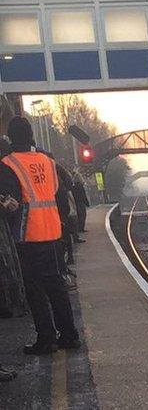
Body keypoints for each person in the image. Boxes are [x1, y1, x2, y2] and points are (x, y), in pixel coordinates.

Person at [0, 117, 80, 354]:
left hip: (27, 235)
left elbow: (11, 202)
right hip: (52, 231)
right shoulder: (46, 161)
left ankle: (46, 339)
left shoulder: (8, 164)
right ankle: (69, 335)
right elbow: (56, 192)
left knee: (35, 289)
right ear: (31, 134)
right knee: (56, 286)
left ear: (11, 137)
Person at [70, 170, 89, 235]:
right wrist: (87, 203)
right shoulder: (80, 186)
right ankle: (81, 228)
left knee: (79, 215)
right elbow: (83, 195)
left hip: (76, 203)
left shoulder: (73, 186)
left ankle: (79, 228)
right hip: (80, 203)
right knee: (83, 215)